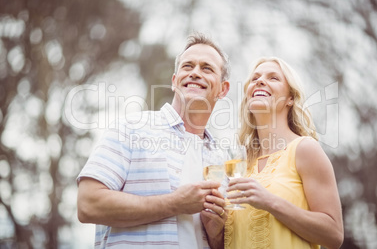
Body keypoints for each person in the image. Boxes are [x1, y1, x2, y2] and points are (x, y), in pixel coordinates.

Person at [77, 32, 230, 249]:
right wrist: (174, 203)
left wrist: (216, 236)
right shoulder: (131, 128)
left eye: (207, 68)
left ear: (223, 89)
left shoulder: (224, 161)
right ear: (174, 81)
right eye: (187, 66)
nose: (195, 73)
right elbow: (87, 204)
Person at [224, 57, 344, 249]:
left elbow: (334, 234)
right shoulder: (238, 163)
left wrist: (270, 201)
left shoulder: (305, 149)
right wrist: (213, 228)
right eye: (255, 78)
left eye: (273, 78)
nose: (260, 81)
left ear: (290, 99)